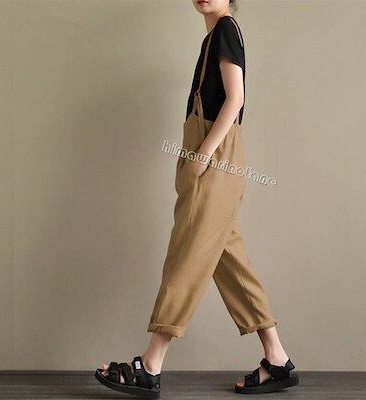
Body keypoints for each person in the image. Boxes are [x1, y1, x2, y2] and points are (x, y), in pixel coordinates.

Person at [95, 0, 300, 397]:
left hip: (213, 158)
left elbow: (235, 98)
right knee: (230, 260)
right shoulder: (216, 35)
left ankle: (150, 365)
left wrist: (203, 154)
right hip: (215, 159)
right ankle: (277, 359)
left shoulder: (225, 29)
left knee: (186, 254)